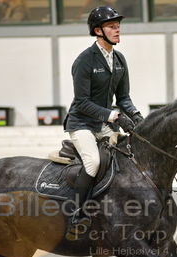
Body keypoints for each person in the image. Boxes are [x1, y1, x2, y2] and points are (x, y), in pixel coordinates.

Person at [63, 6, 143, 240]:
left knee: (126, 159)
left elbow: (124, 98)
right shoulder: (85, 61)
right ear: (98, 31)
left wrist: (137, 116)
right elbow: (82, 102)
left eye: (118, 26)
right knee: (93, 162)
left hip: (104, 125)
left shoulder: (119, 59)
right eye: (111, 26)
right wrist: (111, 116)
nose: (117, 30)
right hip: (81, 124)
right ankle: (75, 214)